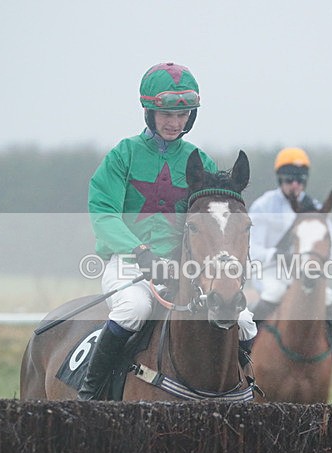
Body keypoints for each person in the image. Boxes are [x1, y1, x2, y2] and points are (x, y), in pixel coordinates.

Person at [79, 62, 256, 400]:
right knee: (134, 309)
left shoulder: (197, 159)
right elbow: (103, 214)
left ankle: (244, 384)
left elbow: (213, 222)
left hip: (186, 269)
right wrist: (138, 251)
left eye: (183, 115)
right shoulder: (123, 155)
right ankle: (91, 395)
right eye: (166, 115)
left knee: (245, 319)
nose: (175, 123)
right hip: (130, 263)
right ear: (149, 112)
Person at [248, 147, 332, 363]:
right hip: (270, 271)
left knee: (328, 296)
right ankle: (246, 344)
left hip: (302, 271)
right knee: (275, 292)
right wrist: (278, 256)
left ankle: (331, 342)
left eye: (300, 180)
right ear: (280, 178)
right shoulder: (264, 206)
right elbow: (252, 249)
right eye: (290, 179)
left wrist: (323, 263)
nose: (295, 185)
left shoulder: (315, 207)